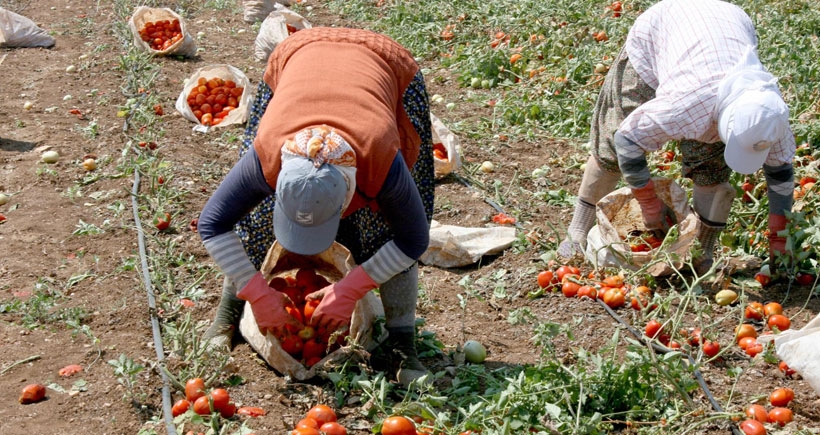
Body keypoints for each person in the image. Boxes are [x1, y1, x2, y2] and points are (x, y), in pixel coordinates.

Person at [196, 27, 435, 387]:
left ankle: (403, 341)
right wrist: (258, 294)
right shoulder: (269, 152)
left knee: (384, 228)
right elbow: (214, 223)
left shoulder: (382, 158)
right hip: (298, 57)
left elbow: (413, 239)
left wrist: (352, 288)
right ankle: (228, 313)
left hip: (385, 65)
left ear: (351, 190)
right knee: (255, 220)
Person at [557, 0, 795, 275]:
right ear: (720, 120)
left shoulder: (770, 117)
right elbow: (627, 140)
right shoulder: (686, 106)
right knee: (612, 146)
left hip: (725, 28)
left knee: (711, 167)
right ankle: (577, 231)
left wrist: (780, 238)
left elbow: (780, 175)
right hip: (660, 34)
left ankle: (701, 252)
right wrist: (648, 202)